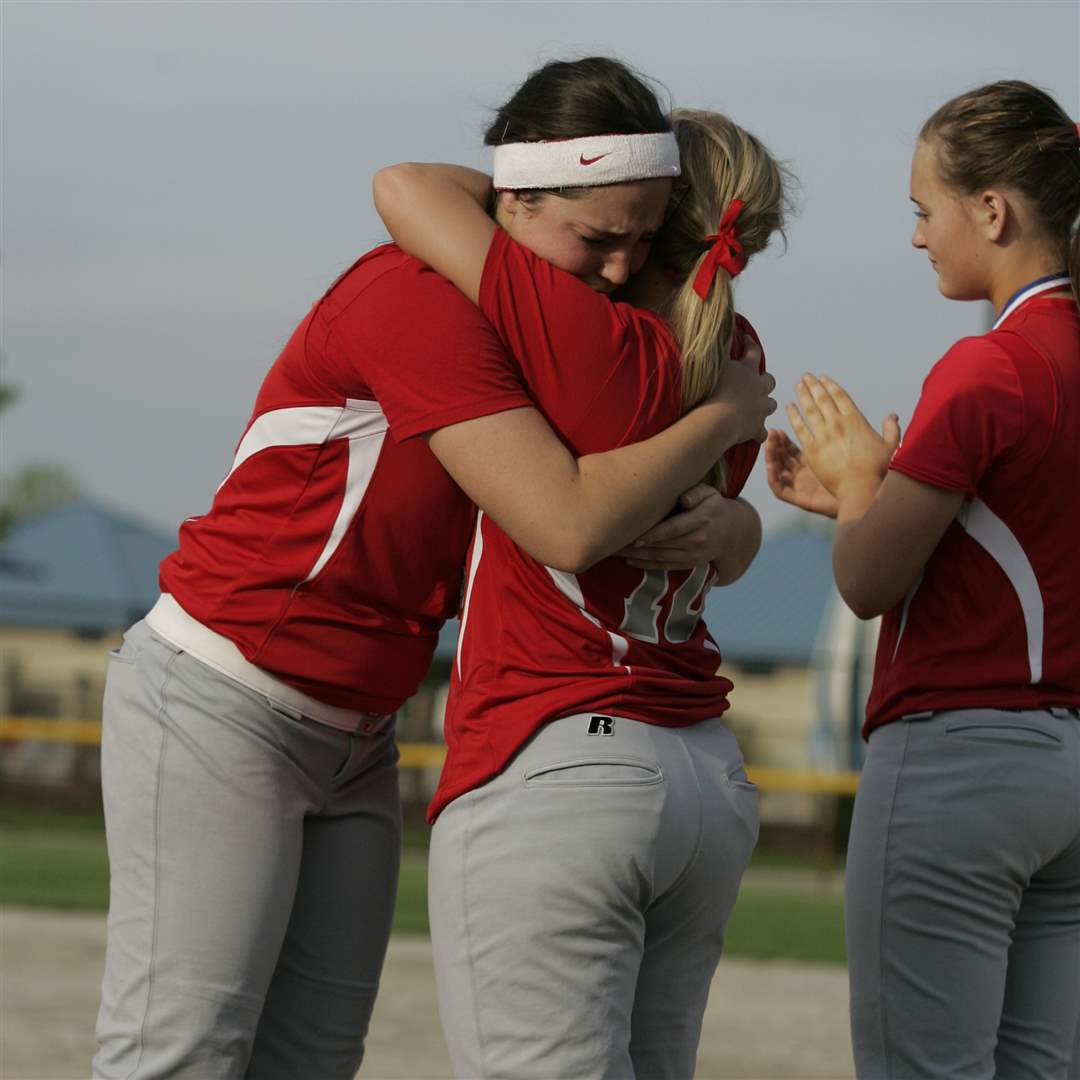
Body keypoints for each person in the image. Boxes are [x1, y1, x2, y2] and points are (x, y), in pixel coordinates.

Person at [92, 58, 777, 1080]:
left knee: (316, 1056)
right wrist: (729, 411)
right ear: (512, 200)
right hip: (222, 690)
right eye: (598, 239)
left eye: (644, 240)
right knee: (180, 1050)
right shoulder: (415, 296)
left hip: (363, 726)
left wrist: (734, 527)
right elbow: (564, 518)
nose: (623, 270)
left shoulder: (575, 328)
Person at [374, 103, 790, 1077]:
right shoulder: (740, 346)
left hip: (562, 746)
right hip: (701, 766)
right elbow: (720, 538)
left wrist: (561, 188)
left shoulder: (580, 327)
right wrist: (741, 521)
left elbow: (411, 187)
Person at [766, 80, 1080, 1079]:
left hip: (961, 765)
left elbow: (864, 581)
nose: (916, 237)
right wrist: (858, 495)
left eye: (923, 209)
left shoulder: (987, 367)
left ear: (992, 210)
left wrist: (864, 485)